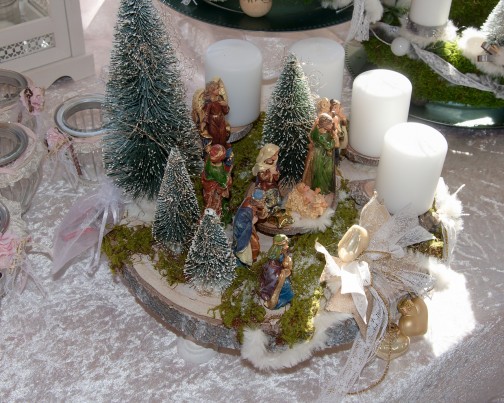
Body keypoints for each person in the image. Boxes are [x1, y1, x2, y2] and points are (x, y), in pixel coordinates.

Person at [302, 113, 339, 195]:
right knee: (321, 172)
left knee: (320, 171)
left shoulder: (317, 130)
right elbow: (328, 146)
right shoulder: (321, 136)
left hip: (318, 152)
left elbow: (311, 135)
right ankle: (320, 188)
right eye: (330, 124)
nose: (331, 125)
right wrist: (334, 139)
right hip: (320, 155)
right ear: (324, 125)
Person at [232, 189, 267, 266]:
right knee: (252, 247)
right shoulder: (246, 211)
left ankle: (248, 259)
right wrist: (252, 222)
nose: (263, 203)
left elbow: (260, 214)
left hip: (247, 230)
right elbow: (242, 226)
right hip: (243, 233)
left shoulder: (250, 202)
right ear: (256, 202)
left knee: (254, 245)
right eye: (262, 201)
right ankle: (243, 261)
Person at [259, 234, 294, 310]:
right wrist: (282, 273)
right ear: (280, 247)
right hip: (276, 276)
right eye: (285, 245)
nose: (287, 246)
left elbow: (284, 263)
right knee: (285, 285)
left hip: (282, 272)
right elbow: (272, 274)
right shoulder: (272, 262)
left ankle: (288, 297)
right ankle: (279, 301)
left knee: (287, 284)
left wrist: (287, 262)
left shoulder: (283, 252)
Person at [201, 144, 232, 217]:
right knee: (217, 204)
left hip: (211, 183)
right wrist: (228, 176)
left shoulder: (209, 158)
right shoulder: (215, 171)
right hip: (214, 190)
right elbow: (224, 182)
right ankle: (218, 216)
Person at [252, 143, 281, 216]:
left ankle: (275, 209)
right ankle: (266, 211)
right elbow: (262, 178)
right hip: (264, 187)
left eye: (277, 154)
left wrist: (275, 173)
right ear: (268, 155)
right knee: (266, 199)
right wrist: (271, 172)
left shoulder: (274, 164)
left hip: (272, 186)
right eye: (274, 155)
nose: (276, 156)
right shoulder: (261, 166)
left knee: (276, 197)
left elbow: (277, 178)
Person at [202, 79, 231, 149]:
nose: (219, 90)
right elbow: (206, 112)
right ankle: (215, 149)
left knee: (222, 133)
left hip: (221, 119)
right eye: (217, 88)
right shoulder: (208, 101)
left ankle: (223, 146)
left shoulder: (220, 98)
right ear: (212, 91)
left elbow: (225, 112)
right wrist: (204, 122)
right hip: (212, 121)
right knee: (214, 134)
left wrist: (225, 105)